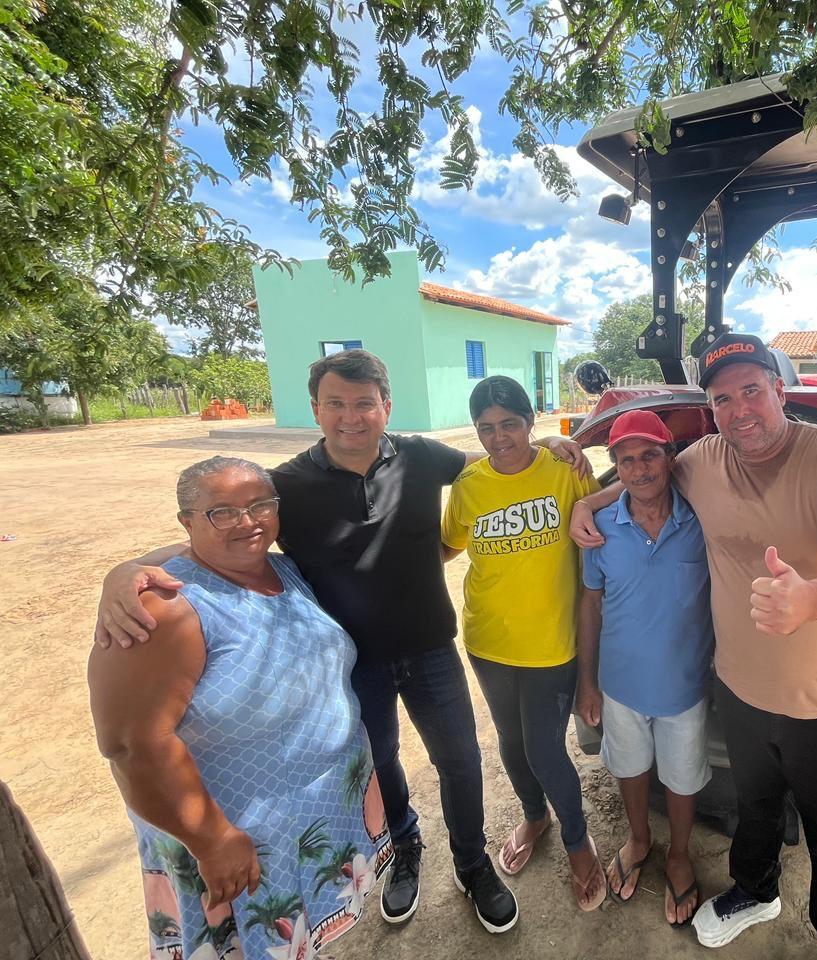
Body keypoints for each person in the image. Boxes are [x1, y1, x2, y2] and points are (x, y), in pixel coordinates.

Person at [95, 349, 588, 934]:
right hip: (352, 662)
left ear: (386, 406)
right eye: (336, 404)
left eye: (364, 403)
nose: (351, 417)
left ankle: (473, 864)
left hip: (431, 647)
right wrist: (124, 570)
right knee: (380, 763)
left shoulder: (423, 456)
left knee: (460, 761)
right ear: (316, 409)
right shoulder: (288, 484)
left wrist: (556, 445)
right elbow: (226, 529)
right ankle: (406, 853)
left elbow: (498, 459)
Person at [570, 333, 817, 960]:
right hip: (742, 690)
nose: (739, 409)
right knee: (756, 807)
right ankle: (756, 891)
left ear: (779, 390)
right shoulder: (704, 459)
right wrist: (591, 498)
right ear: (712, 410)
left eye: (751, 390)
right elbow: (647, 476)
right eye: (723, 399)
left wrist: (811, 599)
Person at [89, 457, 391, 960]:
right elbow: (130, 745)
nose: (247, 521)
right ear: (187, 521)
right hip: (235, 840)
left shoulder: (283, 568)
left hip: (305, 818)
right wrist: (210, 840)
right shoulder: (165, 610)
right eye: (221, 512)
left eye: (259, 505)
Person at [441, 376, 608, 911]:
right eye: (486, 428)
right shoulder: (469, 483)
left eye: (510, 424)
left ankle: (579, 844)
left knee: (542, 747)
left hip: (552, 646)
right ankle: (536, 817)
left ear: (529, 423)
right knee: (511, 743)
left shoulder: (565, 470)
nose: (499, 438)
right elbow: (449, 544)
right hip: (488, 641)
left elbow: (611, 506)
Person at [575, 410, 714, 926]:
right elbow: (590, 603)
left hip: (685, 686)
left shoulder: (701, 520)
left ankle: (678, 854)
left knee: (682, 778)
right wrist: (587, 681)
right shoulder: (599, 528)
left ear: (669, 458)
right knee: (630, 769)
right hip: (621, 685)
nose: (639, 469)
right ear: (616, 467)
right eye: (626, 460)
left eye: (649, 455)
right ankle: (639, 839)